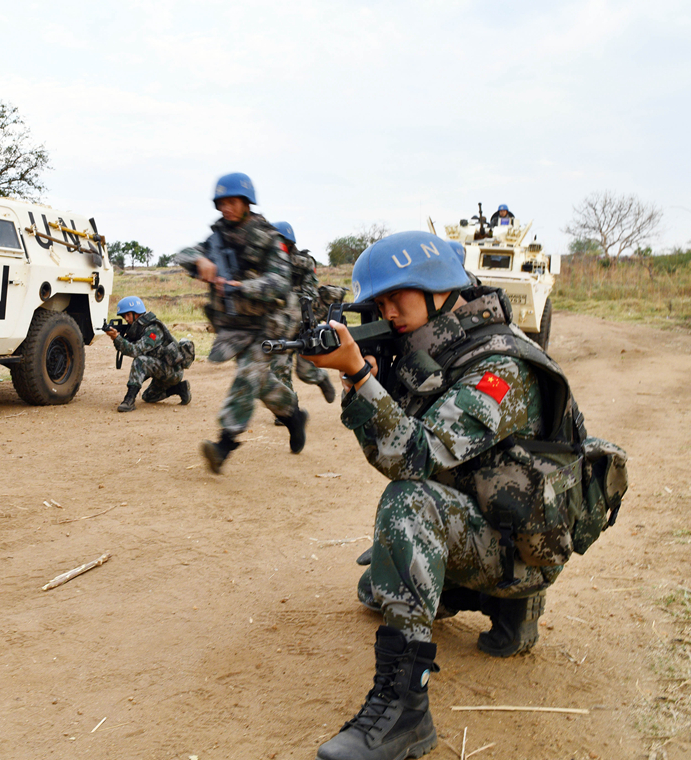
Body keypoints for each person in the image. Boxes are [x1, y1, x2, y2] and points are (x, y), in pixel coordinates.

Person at [303, 230, 624, 760]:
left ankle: (405, 711)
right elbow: (401, 449)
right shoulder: (440, 350)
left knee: (406, 508)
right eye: (378, 303)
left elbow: (413, 460)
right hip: (496, 524)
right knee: (374, 591)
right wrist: (371, 382)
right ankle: (504, 607)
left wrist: (361, 378)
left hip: (522, 549)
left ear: (437, 287)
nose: (388, 312)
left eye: (394, 298)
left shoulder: (499, 366)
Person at [174, 172, 305, 473]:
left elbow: (280, 282)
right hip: (233, 327)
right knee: (260, 382)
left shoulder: (269, 238)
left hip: (266, 324)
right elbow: (183, 253)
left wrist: (242, 287)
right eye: (221, 203)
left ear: (247, 203)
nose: (226, 208)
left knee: (248, 375)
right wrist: (200, 261)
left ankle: (224, 444)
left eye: (232, 202)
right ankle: (293, 415)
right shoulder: (216, 239)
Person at [270, 221, 337, 408]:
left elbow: (310, 294)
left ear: (289, 244)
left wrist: (286, 296)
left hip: (302, 322)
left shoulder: (304, 263)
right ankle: (288, 407)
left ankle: (321, 379)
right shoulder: (270, 264)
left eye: (280, 243)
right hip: (280, 325)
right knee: (279, 366)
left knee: (305, 371)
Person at [104, 296, 192, 412]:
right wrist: (117, 338)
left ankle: (129, 400)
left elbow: (135, 350)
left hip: (173, 371)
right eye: (123, 316)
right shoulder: (138, 328)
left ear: (137, 313)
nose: (126, 319)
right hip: (159, 367)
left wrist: (116, 338)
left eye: (128, 315)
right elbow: (128, 347)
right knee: (148, 397)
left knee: (140, 361)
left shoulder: (153, 329)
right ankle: (180, 389)